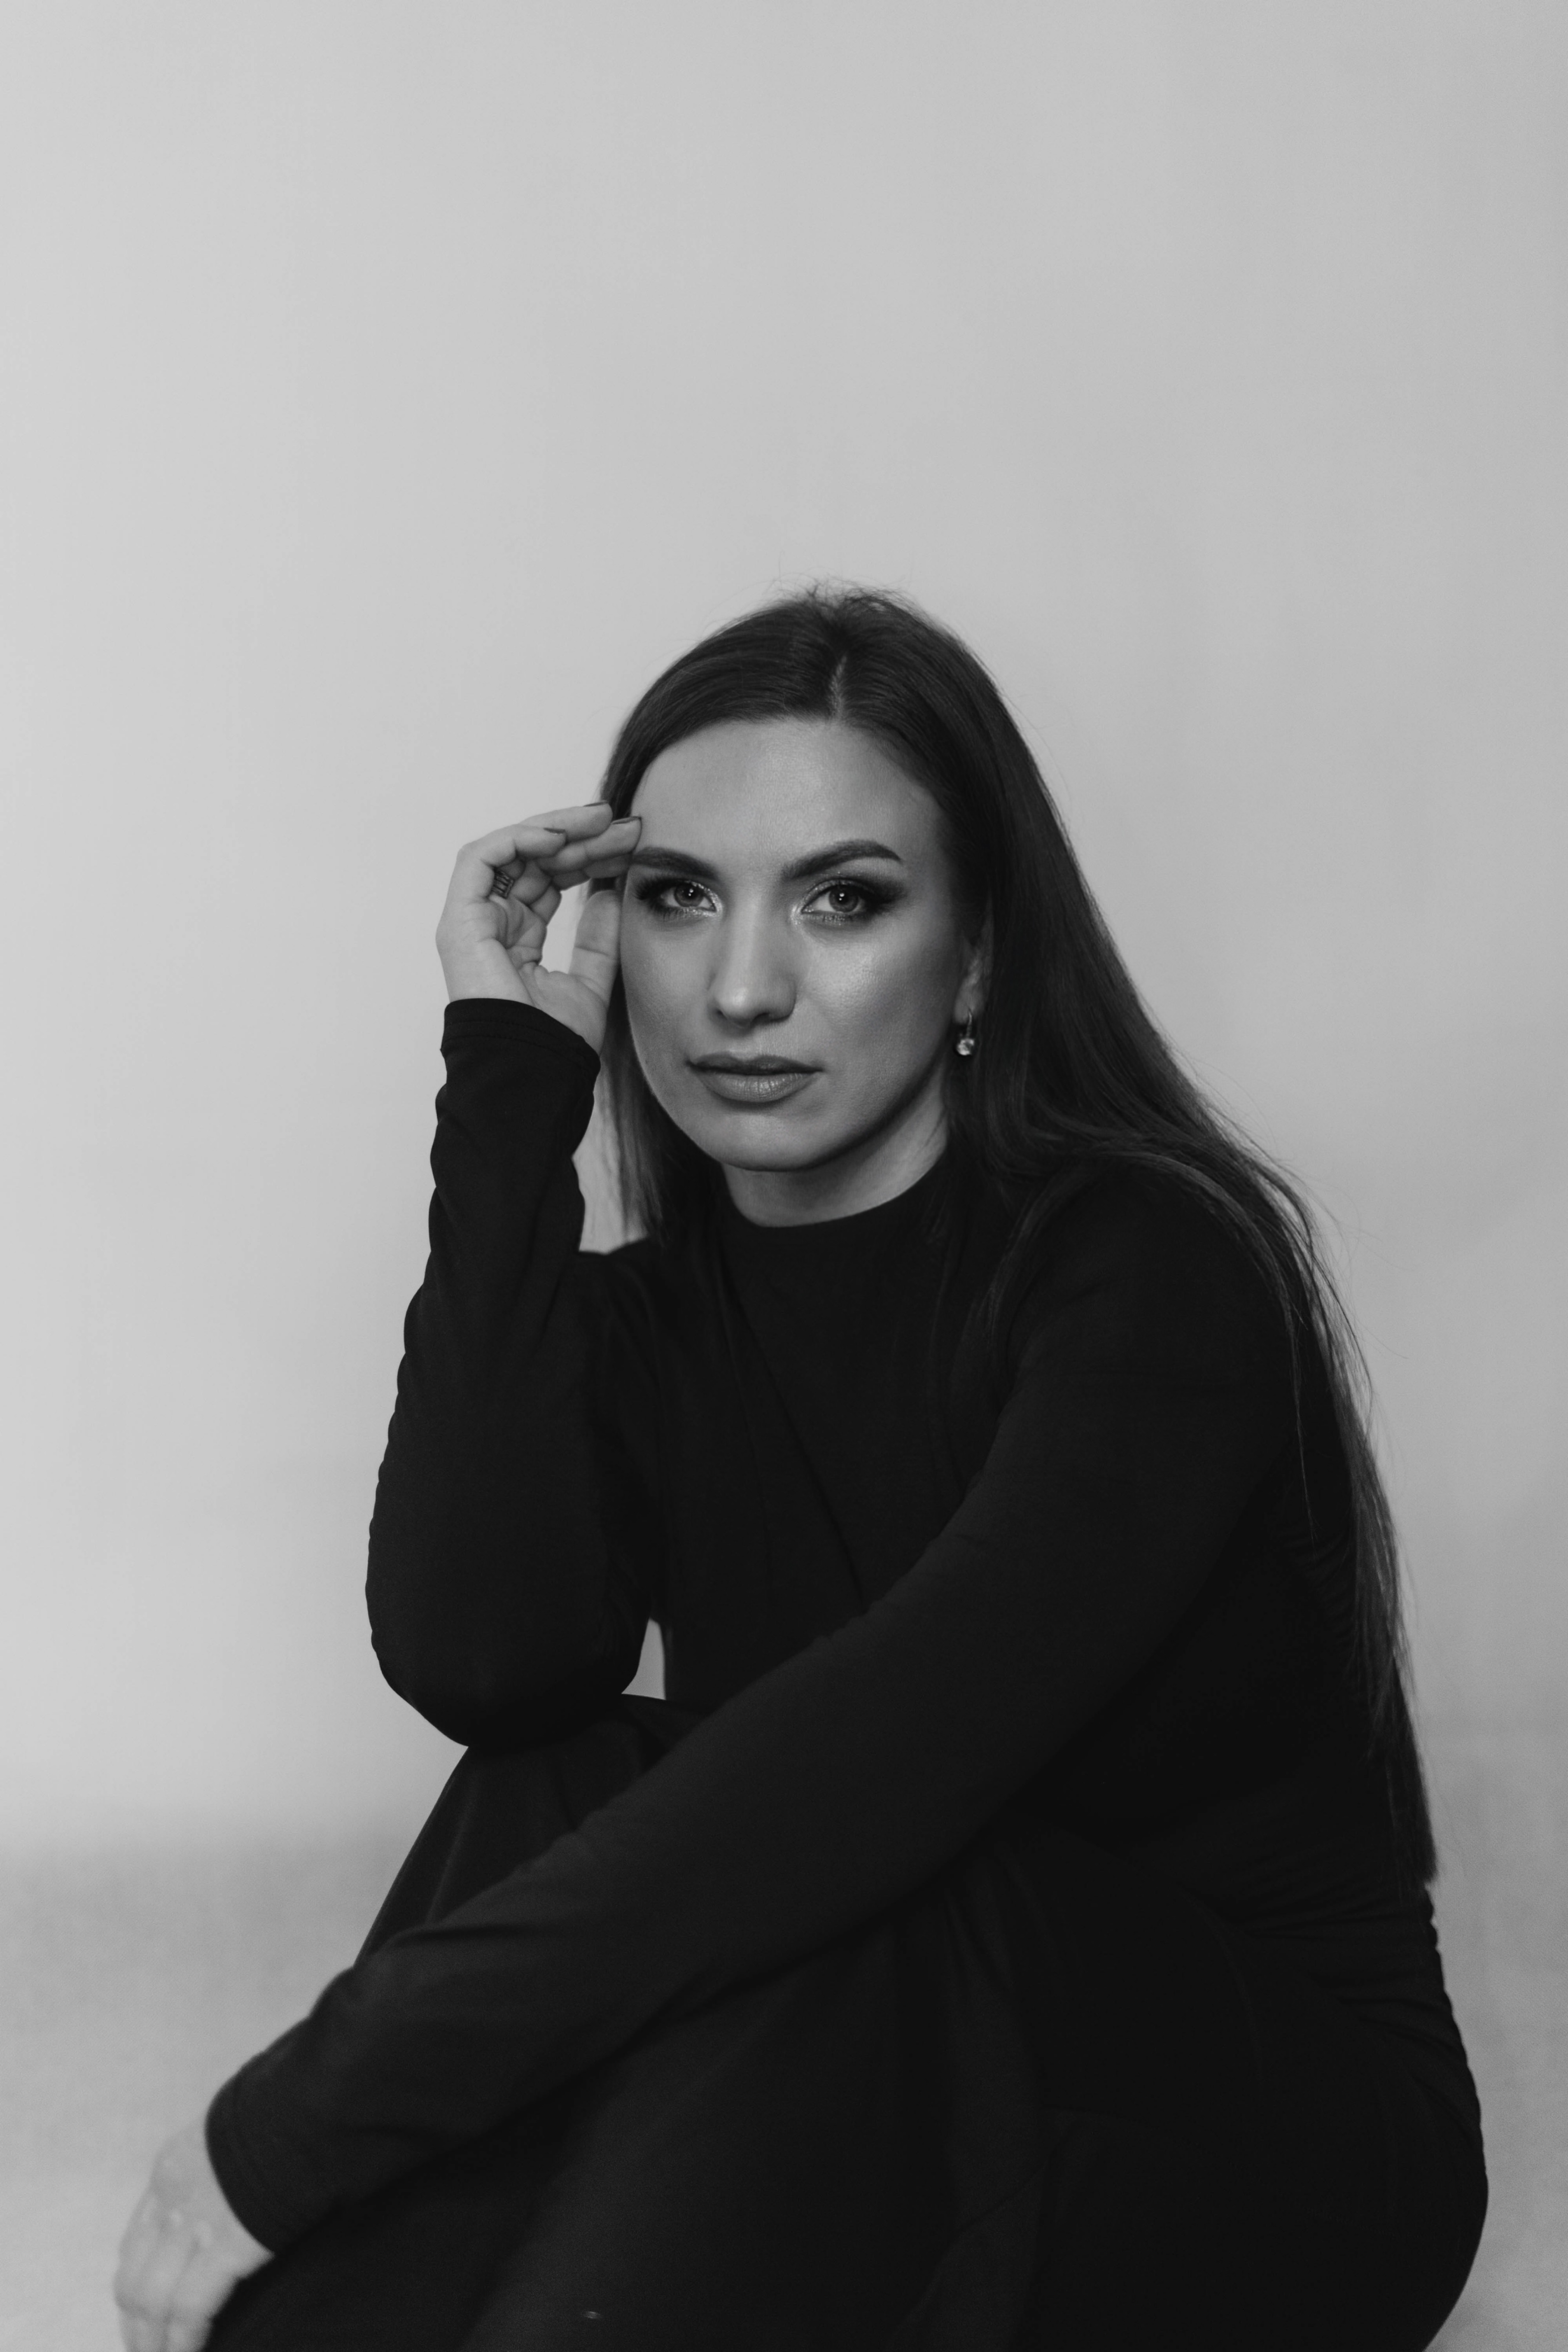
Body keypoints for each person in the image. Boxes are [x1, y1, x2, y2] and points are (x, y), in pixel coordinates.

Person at [114, 588, 1486, 2352]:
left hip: (1256, 2141)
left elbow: (884, 1760)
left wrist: (311, 2115)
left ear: (978, 959)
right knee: (573, 1773)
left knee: (839, 1868)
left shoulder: (1149, 1269)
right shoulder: (656, 1323)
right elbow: (484, 1660)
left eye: (843, 900)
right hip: (842, 2041)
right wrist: (512, 1080)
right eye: (678, 900)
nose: (743, 989)